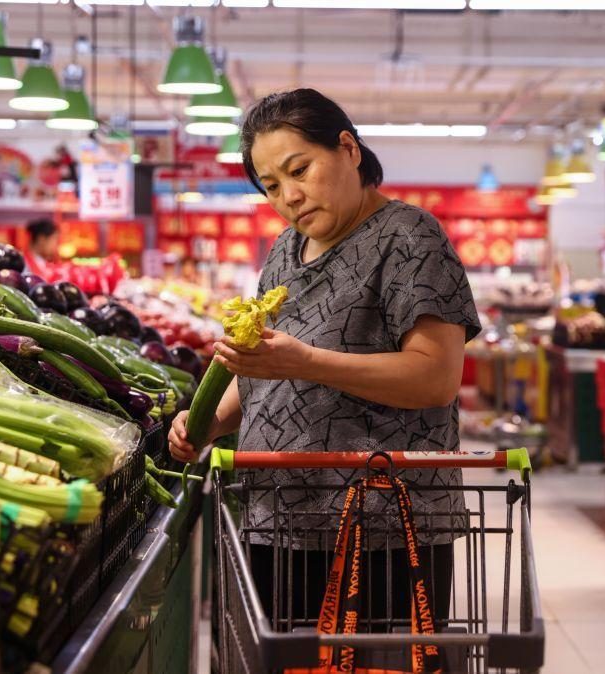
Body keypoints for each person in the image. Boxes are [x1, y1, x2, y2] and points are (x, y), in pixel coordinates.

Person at [169, 89, 482, 628]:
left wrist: (304, 361)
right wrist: (212, 421)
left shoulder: (410, 238)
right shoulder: (283, 251)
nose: (289, 195)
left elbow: (435, 377)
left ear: (348, 149)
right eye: (271, 185)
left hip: (383, 529)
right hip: (276, 517)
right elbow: (265, 373)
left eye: (300, 169)